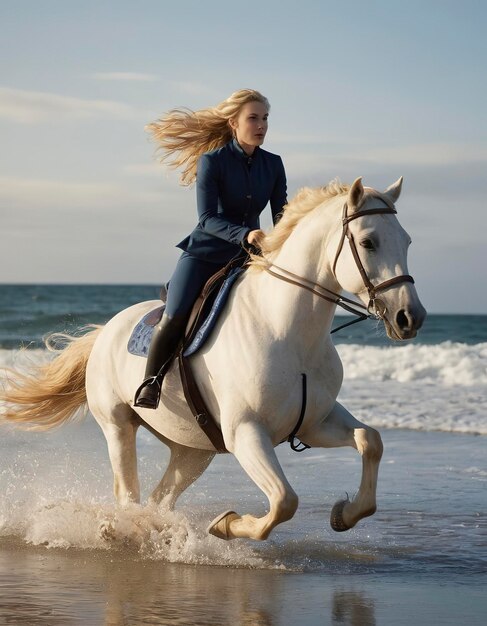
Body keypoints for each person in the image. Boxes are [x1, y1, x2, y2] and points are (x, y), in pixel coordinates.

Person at [134, 89, 287, 409]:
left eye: (265, 118)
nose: (261, 125)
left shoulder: (273, 164)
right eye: (254, 118)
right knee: (175, 316)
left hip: (248, 258)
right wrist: (246, 234)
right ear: (233, 122)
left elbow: (281, 215)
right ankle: (151, 383)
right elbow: (206, 219)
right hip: (204, 254)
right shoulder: (212, 162)